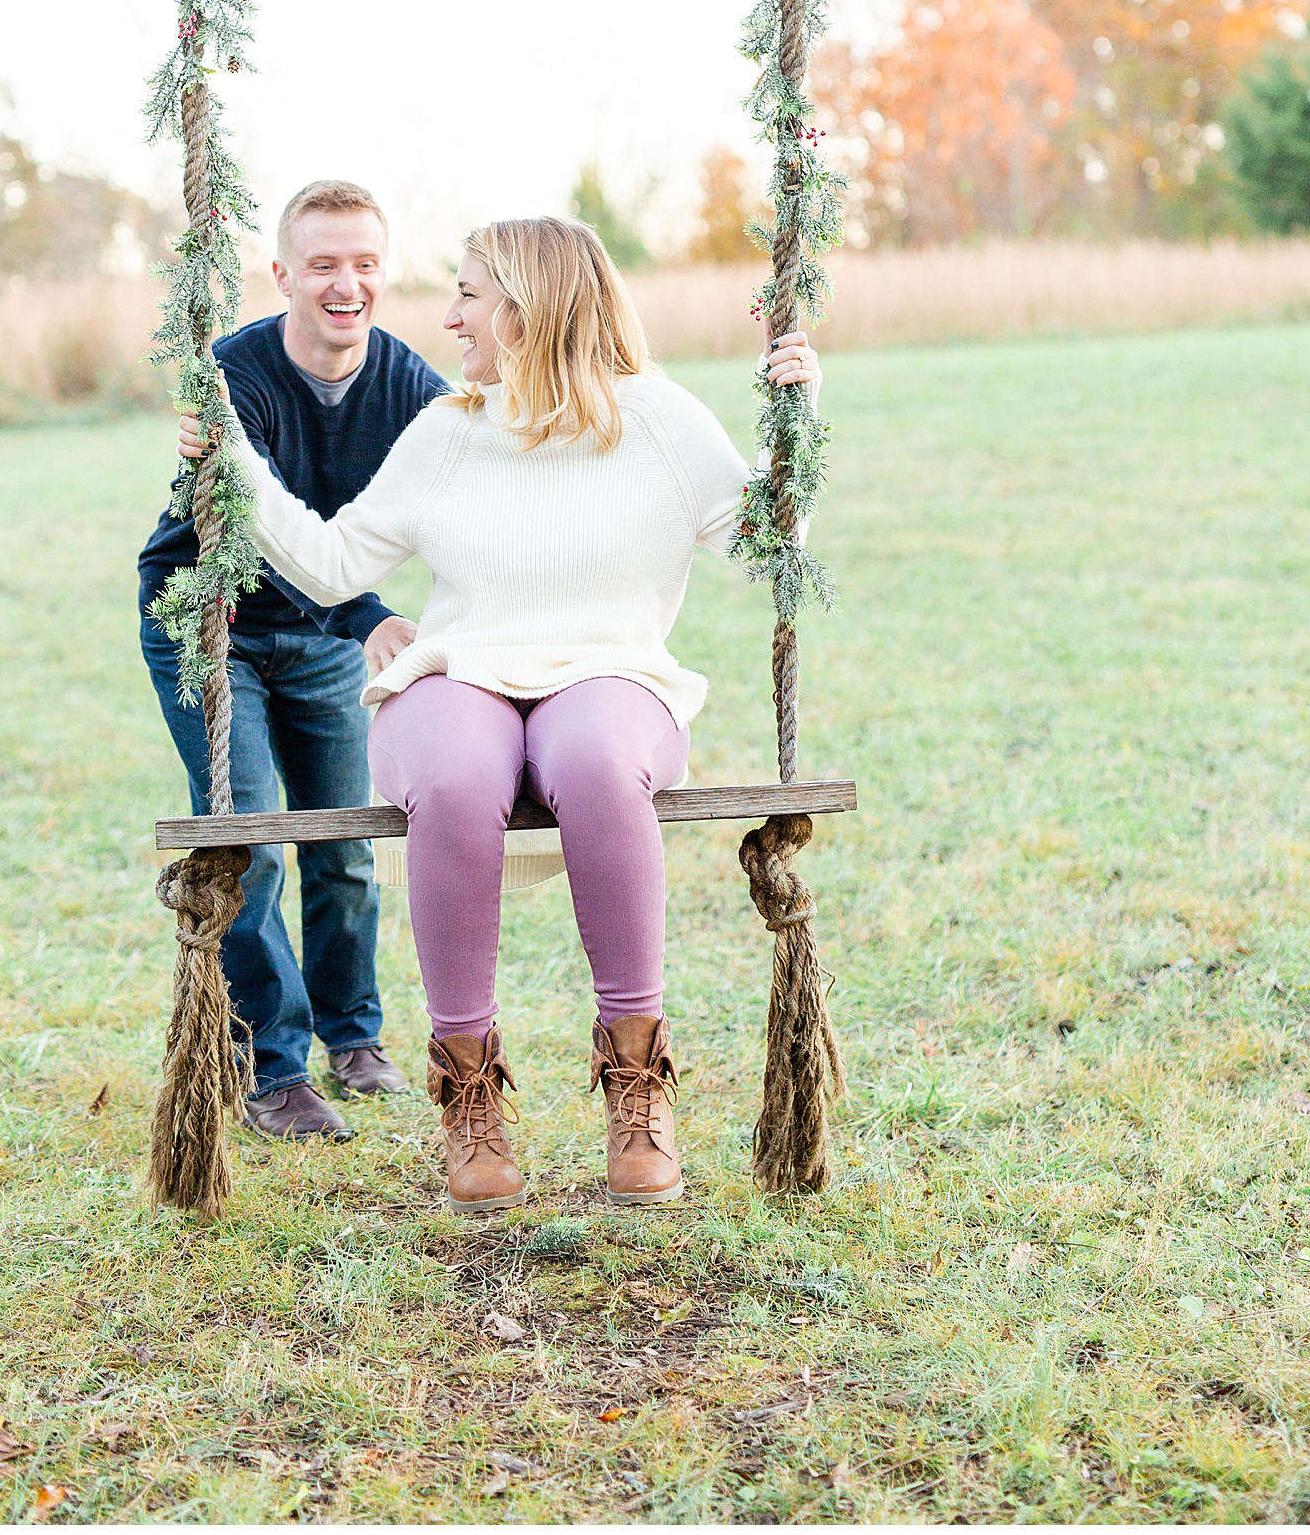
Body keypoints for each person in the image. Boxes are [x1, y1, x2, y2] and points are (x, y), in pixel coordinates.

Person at [178, 214, 820, 1210]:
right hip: (459, 675)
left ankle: (636, 1081)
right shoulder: (449, 430)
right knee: (457, 773)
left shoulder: (659, 419)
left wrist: (799, 411)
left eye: (469, 293)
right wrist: (236, 462)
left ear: (528, 303)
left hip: (611, 673)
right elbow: (340, 561)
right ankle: (469, 1091)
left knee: (603, 758)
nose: (449, 316)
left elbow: (770, 541)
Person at [140, 178, 449, 1140]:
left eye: (363, 263)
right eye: (322, 264)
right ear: (282, 274)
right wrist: (369, 616)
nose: (344, 283)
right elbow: (267, 526)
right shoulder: (233, 377)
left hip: (320, 641)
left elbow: (486, 472)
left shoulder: (411, 385)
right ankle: (274, 1069)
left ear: (383, 273)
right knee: (257, 847)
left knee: (348, 847)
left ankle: (355, 1040)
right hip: (213, 622)